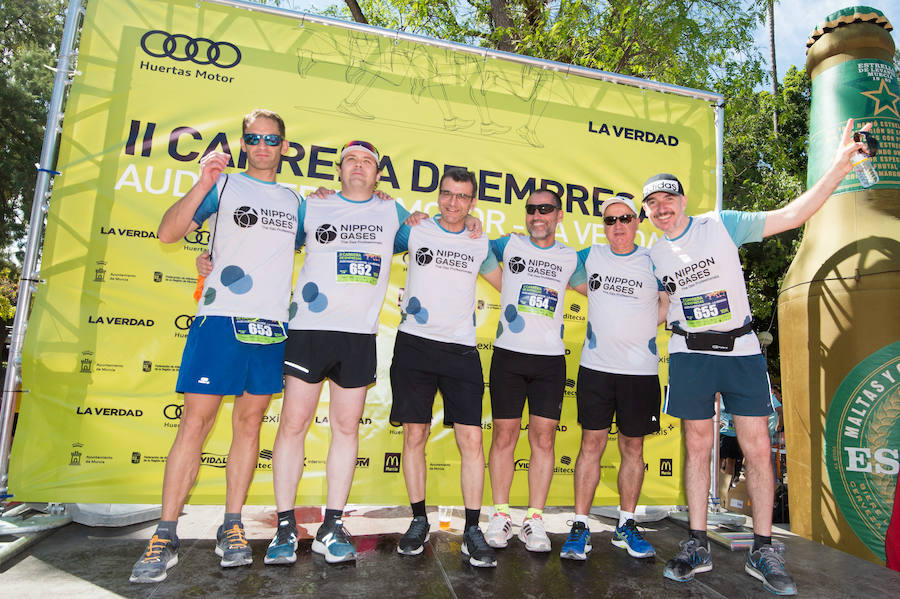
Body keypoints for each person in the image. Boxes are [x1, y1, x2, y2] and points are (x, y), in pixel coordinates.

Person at [645, 119, 871, 596]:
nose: (662, 210)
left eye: (668, 200)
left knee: (756, 449)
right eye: (653, 205)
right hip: (690, 353)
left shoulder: (719, 225)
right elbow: (651, 299)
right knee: (699, 447)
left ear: (682, 201)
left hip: (742, 350)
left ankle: (764, 548)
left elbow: (792, 214)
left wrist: (836, 167)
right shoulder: (652, 254)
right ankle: (696, 544)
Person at [130, 109, 300, 583]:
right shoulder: (222, 186)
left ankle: (233, 525)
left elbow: (330, 242)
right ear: (244, 143)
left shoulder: (296, 200)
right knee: (195, 424)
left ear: (284, 146)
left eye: (271, 138)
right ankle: (165, 534)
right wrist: (203, 182)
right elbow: (168, 232)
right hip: (219, 320)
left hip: (268, 328)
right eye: (254, 138)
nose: (262, 145)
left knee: (248, 427)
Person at [266, 140, 412, 565]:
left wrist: (472, 227)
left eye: (368, 161)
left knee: (346, 429)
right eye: (351, 160)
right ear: (339, 169)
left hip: (358, 336)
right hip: (310, 330)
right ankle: (285, 526)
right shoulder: (312, 207)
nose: (359, 167)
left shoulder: (392, 212)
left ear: (378, 173)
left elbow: (434, 239)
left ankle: (333, 523)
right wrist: (211, 260)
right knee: (293, 424)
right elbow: (267, 244)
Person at [390, 167, 503, 567]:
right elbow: (370, 230)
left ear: (473, 203)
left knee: (472, 442)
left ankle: (473, 528)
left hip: (460, 350)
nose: (453, 203)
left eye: (462, 197)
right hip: (414, 346)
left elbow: (508, 281)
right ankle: (418, 520)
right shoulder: (415, 230)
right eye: (447, 194)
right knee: (414, 436)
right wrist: (395, 208)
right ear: (438, 196)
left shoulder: (480, 240)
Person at [560, 196, 668, 561]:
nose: (617, 225)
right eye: (610, 220)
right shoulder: (589, 255)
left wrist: (640, 326)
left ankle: (626, 524)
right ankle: (579, 525)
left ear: (637, 221)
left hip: (639, 372)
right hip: (596, 368)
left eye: (624, 218)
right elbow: (551, 259)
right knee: (590, 445)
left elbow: (668, 302)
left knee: (632, 449)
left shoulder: (654, 259)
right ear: (603, 226)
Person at [483, 189, 580, 552]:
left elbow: (598, 286)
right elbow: (472, 245)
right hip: (509, 355)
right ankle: (501, 514)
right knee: (504, 437)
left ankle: (535, 519)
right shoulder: (509, 244)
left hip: (549, 361)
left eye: (545, 209)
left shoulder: (570, 257)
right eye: (531, 209)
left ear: (559, 215)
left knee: (544, 440)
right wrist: (504, 283)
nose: (537, 215)